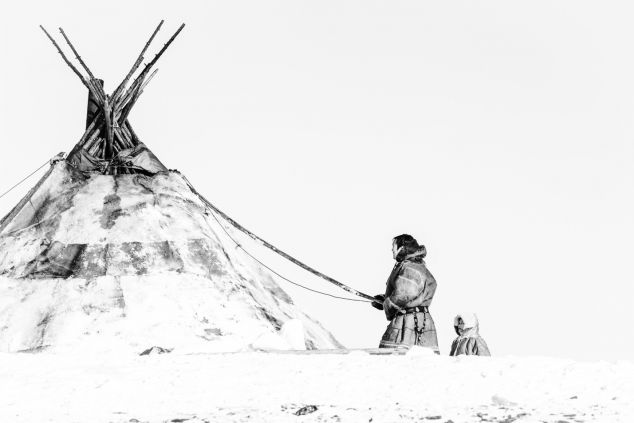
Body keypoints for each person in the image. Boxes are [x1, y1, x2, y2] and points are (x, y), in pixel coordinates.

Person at [372, 234, 439, 352]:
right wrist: (384, 299)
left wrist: (388, 303)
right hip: (414, 319)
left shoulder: (410, 267)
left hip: (410, 323)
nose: (391, 250)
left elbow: (405, 294)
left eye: (393, 246)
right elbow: (407, 292)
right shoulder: (412, 265)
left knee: (399, 358)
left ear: (401, 248)